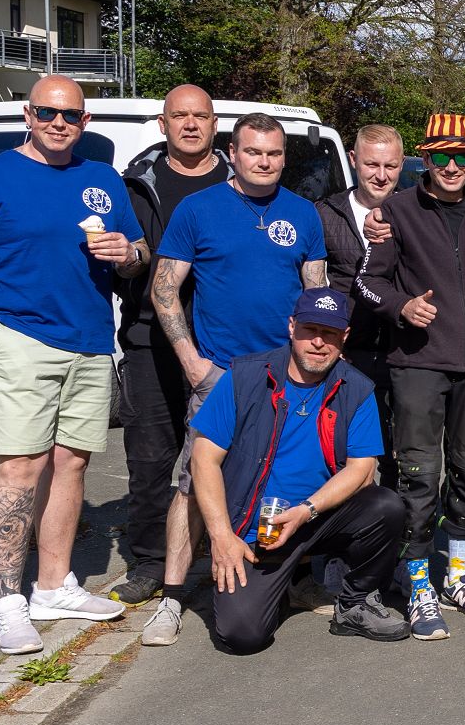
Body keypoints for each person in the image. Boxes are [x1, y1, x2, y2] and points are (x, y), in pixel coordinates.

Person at [0, 75, 145, 654]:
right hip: (20, 340)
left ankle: (53, 588)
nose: (58, 123)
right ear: (28, 115)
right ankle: (9, 602)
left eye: (70, 115)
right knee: (20, 468)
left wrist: (127, 252)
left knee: (71, 465)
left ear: (85, 121)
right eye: (47, 112)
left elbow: (137, 254)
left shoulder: (102, 179)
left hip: (91, 342)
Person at [140, 112, 329, 646]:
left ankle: (297, 580)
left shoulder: (303, 213)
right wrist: (191, 361)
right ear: (234, 152)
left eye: (273, 153)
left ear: (284, 157)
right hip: (220, 373)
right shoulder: (198, 209)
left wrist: (311, 364)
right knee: (192, 482)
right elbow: (163, 288)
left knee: (294, 474)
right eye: (253, 152)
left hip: (286, 374)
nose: (264, 162)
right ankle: (171, 598)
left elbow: (314, 294)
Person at [190, 289, 410, 653]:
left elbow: (361, 468)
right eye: (310, 330)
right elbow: (203, 459)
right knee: (242, 636)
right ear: (292, 327)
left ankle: (355, 603)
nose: (319, 342)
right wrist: (221, 536)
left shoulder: (356, 388)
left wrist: (306, 511)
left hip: (315, 518)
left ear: (345, 336)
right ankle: (278, 587)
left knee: (386, 506)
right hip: (254, 532)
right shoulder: (244, 377)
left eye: (330, 333)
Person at [354, 111, 465, 640]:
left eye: (462, 156)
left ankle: (456, 575)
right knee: (418, 477)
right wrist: (402, 306)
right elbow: (368, 282)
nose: (452, 166)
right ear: (426, 157)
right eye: (441, 156)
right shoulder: (396, 211)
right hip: (417, 364)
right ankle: (417, 585)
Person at [110, 84, 231, 609]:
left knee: (228, 453)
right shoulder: (135, 184)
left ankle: (225, 550)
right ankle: (151, 561)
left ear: (214, 124)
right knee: (150, 456)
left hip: (222, 340)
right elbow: (118, 260)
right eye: (179, 116)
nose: (190, 124)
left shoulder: (238, 179)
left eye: (200, 116)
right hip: (148, 338)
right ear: (163, 124)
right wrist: (123, 261)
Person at [315, 123, 404, 489]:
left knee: (400, 456)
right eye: (372, 164)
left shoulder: (415, 212)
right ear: (353, 160)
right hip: (346, 352)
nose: (381, 175)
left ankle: (397, 520)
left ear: (401, 165)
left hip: (401, 352)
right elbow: (311, 284)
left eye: (390, 166)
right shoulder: (325, 213)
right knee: (342, 451)